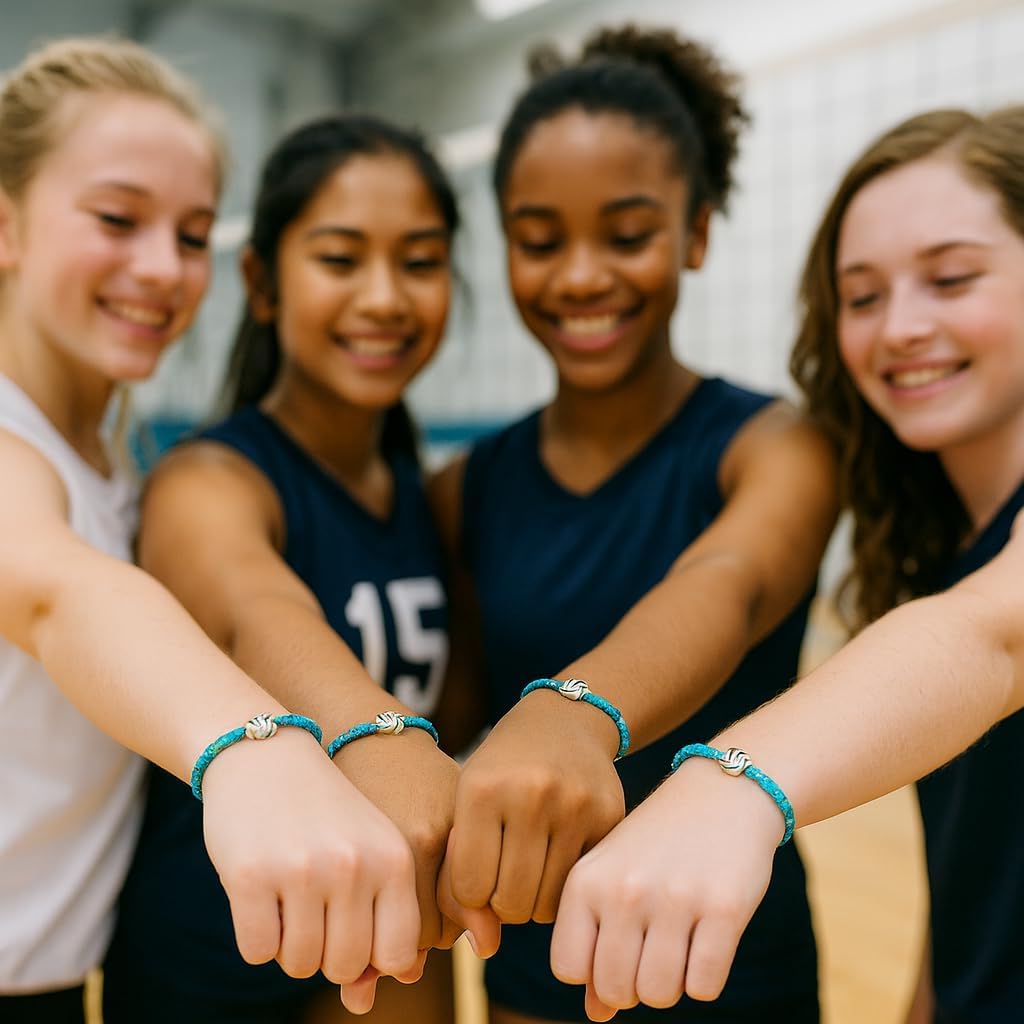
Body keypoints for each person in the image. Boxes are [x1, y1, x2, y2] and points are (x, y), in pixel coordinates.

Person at [548, 105, 1024, 1023]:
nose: (900, 328)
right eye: (862, 295)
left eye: (951, 278)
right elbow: (980, 880)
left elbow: (994, 634)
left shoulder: (973, 601)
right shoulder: (930, 551)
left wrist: (731, 781)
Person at [0, 37, 429, 1023]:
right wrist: (255, 743)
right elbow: (56, 589)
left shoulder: (114, 459)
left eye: (191, 236)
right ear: (6, 223)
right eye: (117, 219)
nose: (161, 268)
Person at [431, 24, 839, 1024]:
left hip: (736, 964)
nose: (579, 276)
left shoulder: (778, 447)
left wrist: (572, 713)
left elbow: (729, 578)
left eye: (626, 233)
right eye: (539, 239)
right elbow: (455, 735)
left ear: (697, 231)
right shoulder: (465, 490)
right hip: (537, 967)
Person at [101, 112, 498, 1024]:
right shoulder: (208, 479)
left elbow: (464, 716)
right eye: (340, 258)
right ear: (262, 282)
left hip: (382, 945)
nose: (386, 296)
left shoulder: (424, 500)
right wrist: (380, 735)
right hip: (211, 962)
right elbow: (254, 610)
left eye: (422, 260)